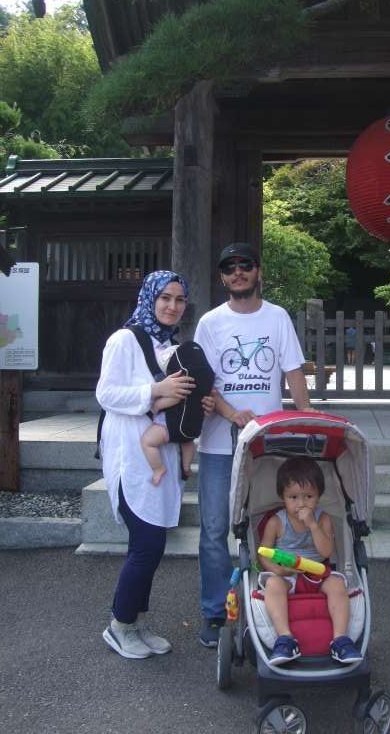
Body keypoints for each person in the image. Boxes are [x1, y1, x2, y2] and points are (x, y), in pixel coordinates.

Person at [193, 241, 313, 648]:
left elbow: (293, 371)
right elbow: (204, 379)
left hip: (269, 444)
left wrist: (307, 418)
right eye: (230, 267)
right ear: (222, 276)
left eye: (246, 266)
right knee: (213, 529)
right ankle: (214, 611)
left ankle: (270, 599)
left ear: (258, 271)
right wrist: (229, 413)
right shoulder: (210, 323)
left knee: (268, 527)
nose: (238, 273)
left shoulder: (277, 317)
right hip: (217, 445)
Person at [96, 270, 215, 660]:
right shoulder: (124, 340)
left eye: (180, 300)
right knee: (147, 544)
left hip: (158, 452)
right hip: (131, 451)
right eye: (165, 297)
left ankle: (135, 621)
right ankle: (119, 624)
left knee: (152, 542)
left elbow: (180, 400)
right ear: (149, 298)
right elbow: (106, 393)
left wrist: (199, 404)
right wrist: (156, 391)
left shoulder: (170, 345)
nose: (172, 306)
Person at [258, 456, 362, 666]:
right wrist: (277, 570)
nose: (301, 503)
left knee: (337, 584)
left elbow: (326, 551)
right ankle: (285, 638)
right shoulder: (276, 522)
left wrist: (313, 525)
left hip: (317, 573)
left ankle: (341, 639)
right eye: (293, 497)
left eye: (308, 496)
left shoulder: (323, 519)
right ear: (283, 497)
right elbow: (263, 554)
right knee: (272, 585)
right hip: (288, 575)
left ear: (318, 496)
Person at [140, 341, 214, 486]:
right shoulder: (197, 384)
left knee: (147, 442)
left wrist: (156, 406)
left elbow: (174, 399)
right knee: (187, 442)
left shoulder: (176, 385)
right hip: (189, 427)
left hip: (167, 426)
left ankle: (158, 468)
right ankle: (186, 467)